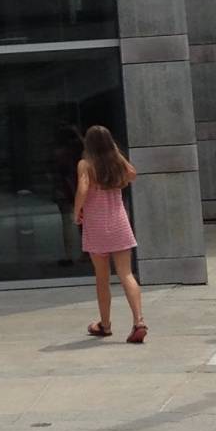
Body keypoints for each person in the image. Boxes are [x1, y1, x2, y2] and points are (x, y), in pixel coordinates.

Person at [75, 124, 147, 343]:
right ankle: (139, 321)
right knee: (126, 273)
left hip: (96, 225)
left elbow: (83, 188)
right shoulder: (115, 163)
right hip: (119, 224)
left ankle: (105, 324)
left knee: (102, 277)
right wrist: (116, 153)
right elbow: (133, 174)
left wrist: (76, 210)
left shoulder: (86, 165)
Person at [50, 124, 83, 268]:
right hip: (77, 186)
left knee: (67, 223)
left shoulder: (59, 153)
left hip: (65, 189)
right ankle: (86, 252)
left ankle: (69, 254)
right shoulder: (79, 151)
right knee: (82, 221)